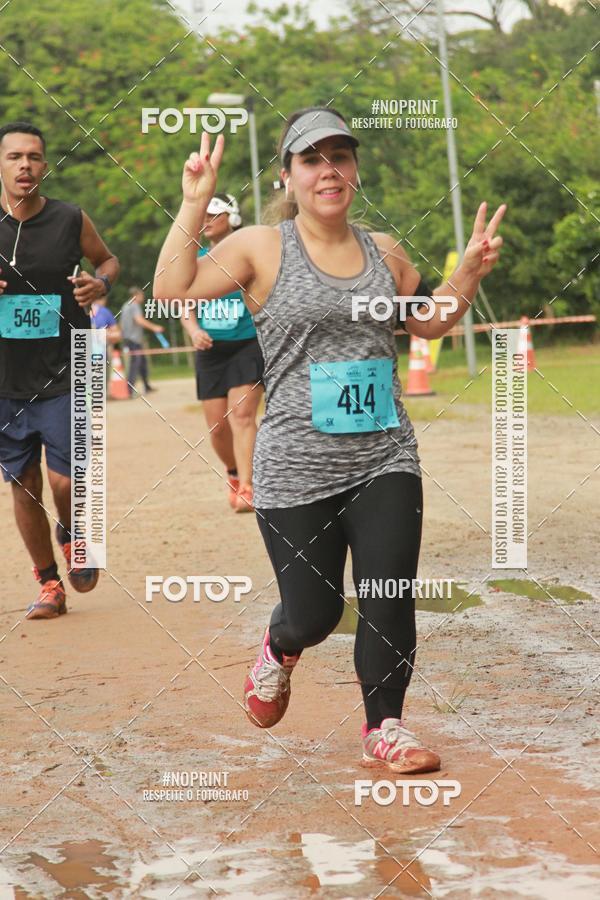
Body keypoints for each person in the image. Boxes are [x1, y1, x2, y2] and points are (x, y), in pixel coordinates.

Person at [154, 108, 505, 772]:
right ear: (289, 173)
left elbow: (427, 324)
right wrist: (194, 201)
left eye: (340, 156)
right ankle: (279, 648)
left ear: (354, 170)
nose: (329, 170)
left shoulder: (385, 251)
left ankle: (386, 726)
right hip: (294, 467)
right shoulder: (261, 246)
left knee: (387, 594)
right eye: (313, 159)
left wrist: (468, 275)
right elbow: (173, 288)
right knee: (314, 614)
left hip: (384, 455)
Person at [0, 121, 120, 619]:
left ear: (45, 166)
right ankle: (49, 583)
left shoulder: (70, 218)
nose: (26, 165)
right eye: (14, 157)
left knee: (67, 482)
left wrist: (101, 285)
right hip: (6, 380)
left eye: (35, 157)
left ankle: (74, 534)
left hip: (70, 367)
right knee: (22, 483)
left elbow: (108, 261)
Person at [181, 192, 264, 512]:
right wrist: (194, 330)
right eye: (203, 216)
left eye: (214, 215)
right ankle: (233, 472)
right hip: (211, 350)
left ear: (233, 217)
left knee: (242, 416)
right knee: (217, 427)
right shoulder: (197, 259)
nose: (206, 222)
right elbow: (183, 304)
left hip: (246, 344)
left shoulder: (249, 257)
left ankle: (248, 485)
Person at [119, 286, 163, 395]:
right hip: (133, 339)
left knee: (142, 362)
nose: (142, 298)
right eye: (141, 295)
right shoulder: (134, 306)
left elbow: (122, 324)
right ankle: (129, 390)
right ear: (136, 296)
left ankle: (146, 386)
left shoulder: (125, 306)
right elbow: (139, 320)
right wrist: (154, 327)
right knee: (136, 363)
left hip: (129, 338)